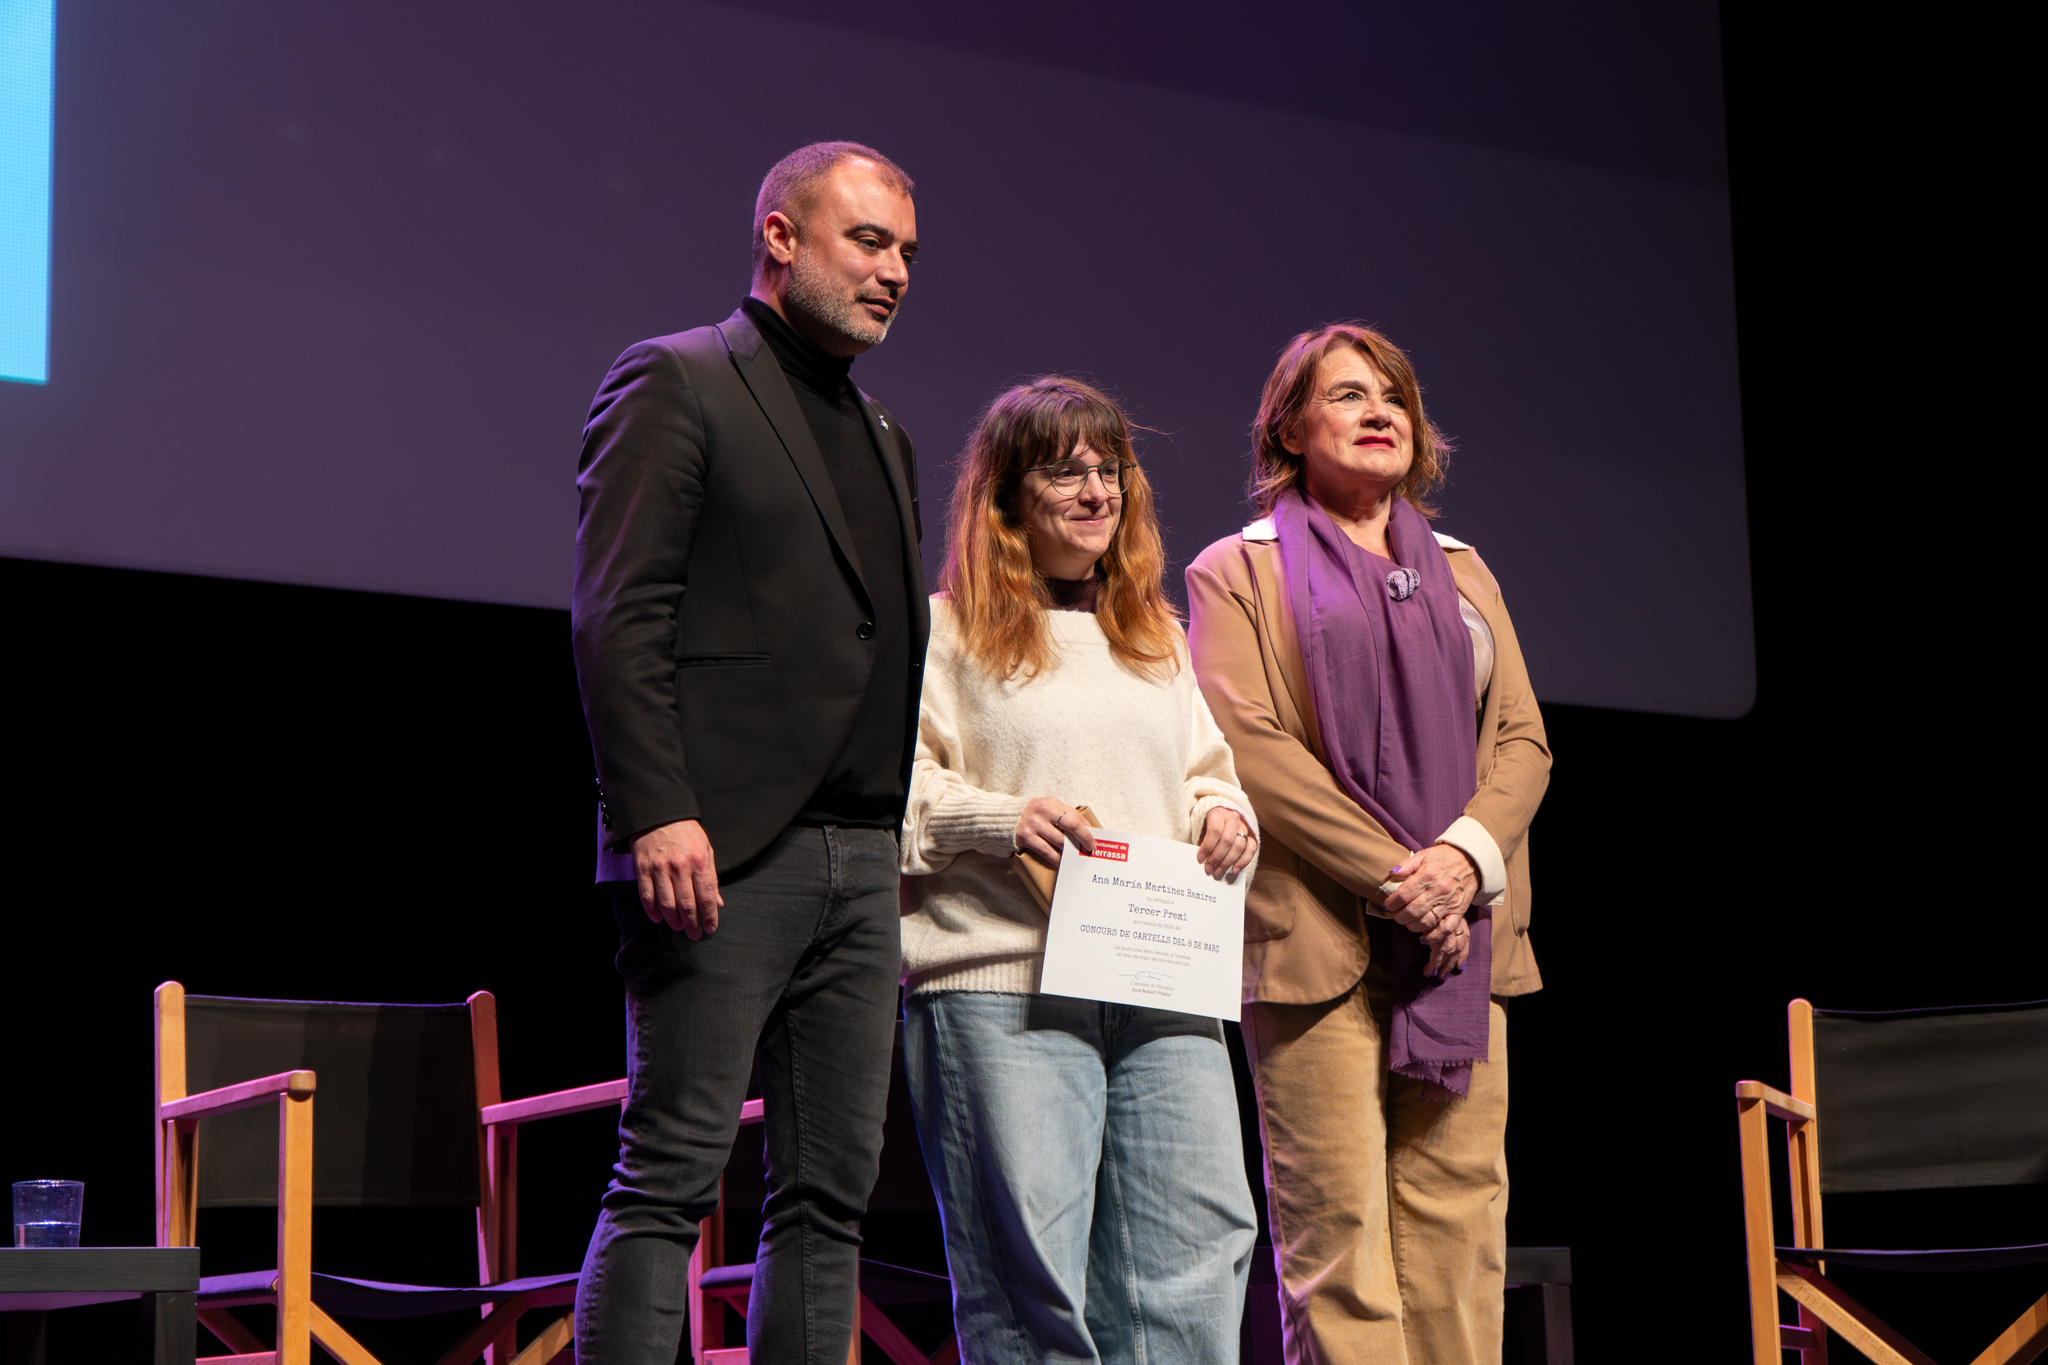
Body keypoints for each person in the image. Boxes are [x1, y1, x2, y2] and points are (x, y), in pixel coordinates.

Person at [569, 141, 928, 1364]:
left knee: (828, 1196)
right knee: (670, 1172)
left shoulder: (884, 432)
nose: (892, 274)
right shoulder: (675, 379)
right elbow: (621, 616)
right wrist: (655, 811)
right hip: (719, 844)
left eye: (906, 256)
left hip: (860, 852)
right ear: (780, 236)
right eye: (868, 242)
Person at [1185, 324, 1550, 1364]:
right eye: (1345, 394)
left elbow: (1521, 737)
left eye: (1391, 394)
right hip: (1316, 946)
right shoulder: (1232, 573)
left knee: (1459, 1229)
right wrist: (1403, 879)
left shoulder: (1469, 572)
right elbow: (1249, 746)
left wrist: (1459, 863)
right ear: (1290, 427)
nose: (1378, 409)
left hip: (1460, 936)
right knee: (1338, 1240)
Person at [897, 377, 1261, 1362]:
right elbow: (892, 800)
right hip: (1003, 982)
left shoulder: (1151, 640)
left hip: (1159, 985)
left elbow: (1206, 784)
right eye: (1067, 472)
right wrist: (1002, 818)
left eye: (1110, 471)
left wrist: (1226, 821)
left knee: (1195, 1264)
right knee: (1034, 1287)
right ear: (1008, 497)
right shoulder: (944, 633)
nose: (1097, 492)